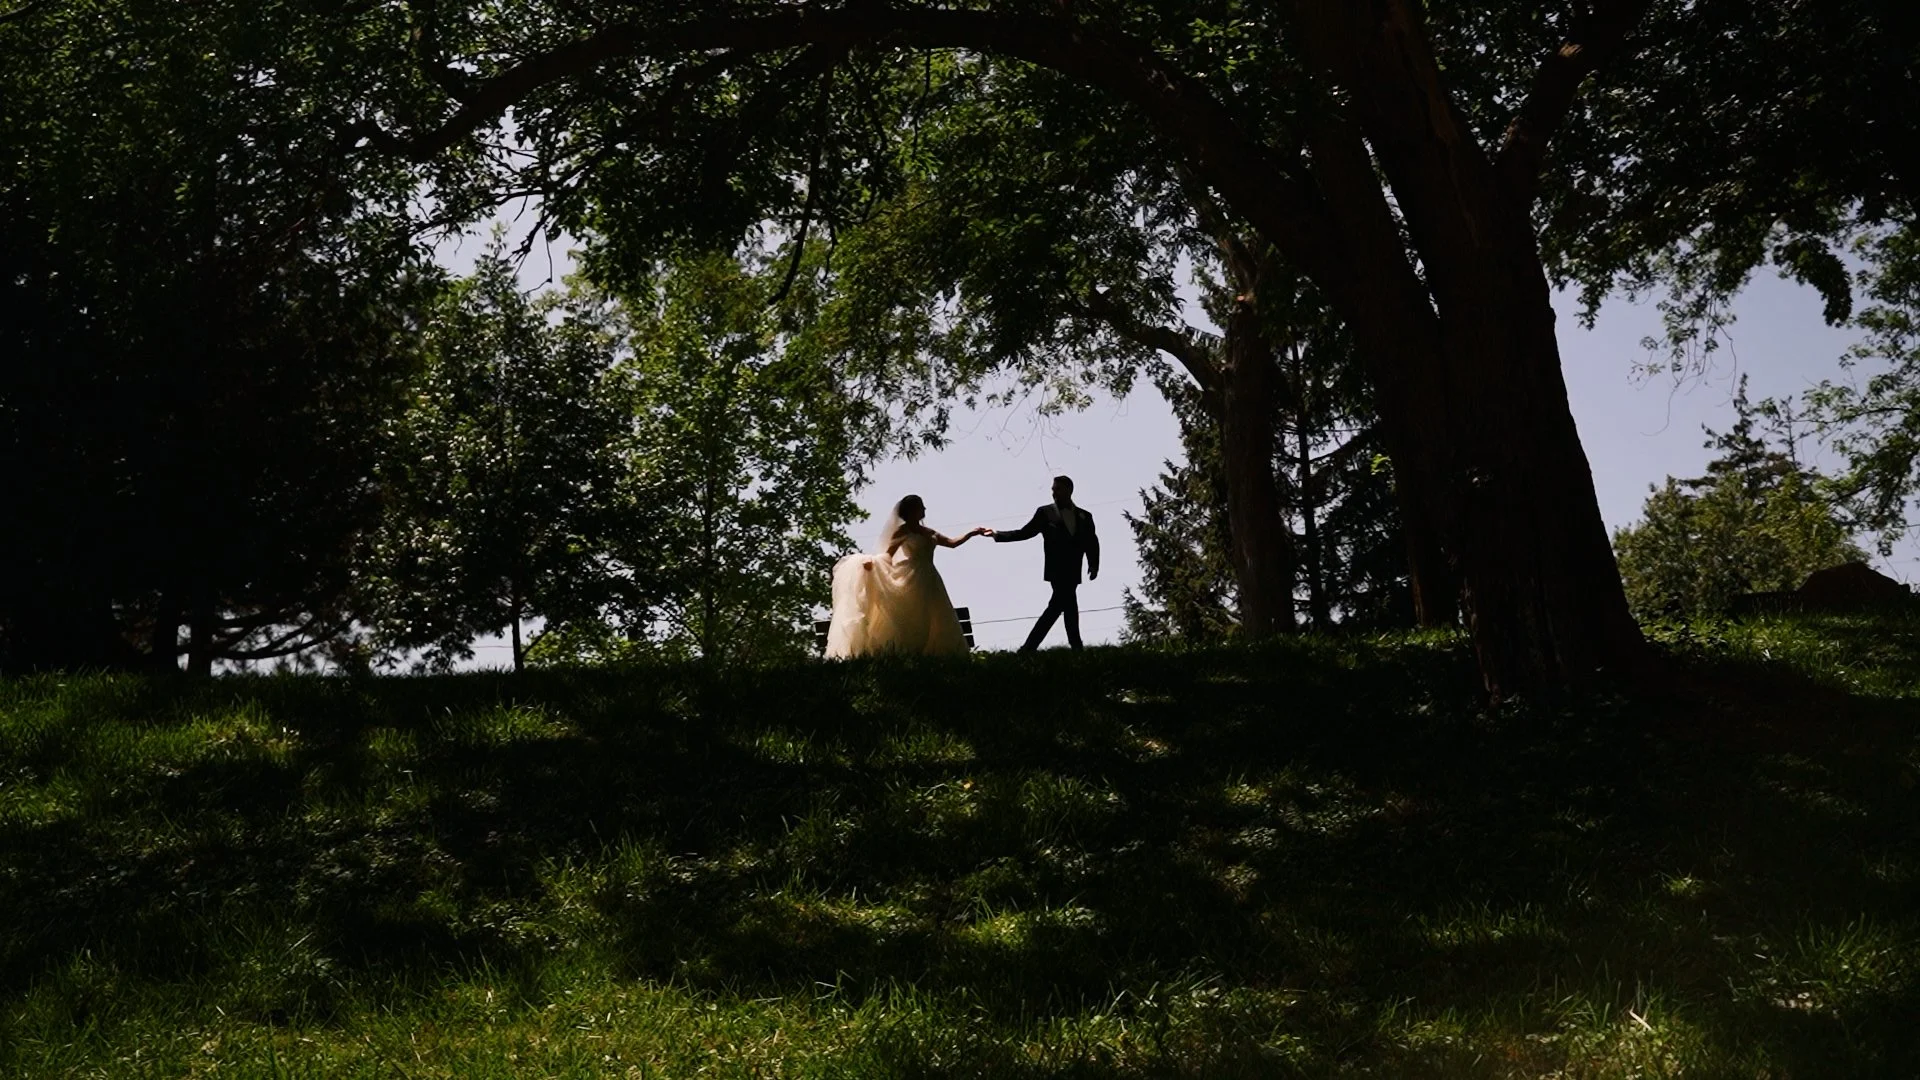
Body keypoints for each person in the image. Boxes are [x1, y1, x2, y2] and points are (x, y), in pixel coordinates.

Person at [824, 495, 989, 658]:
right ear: (912, 510)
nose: (924, 509)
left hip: (930, 576)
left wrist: (971, 534)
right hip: (911, 576)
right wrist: (872, 563)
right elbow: (888, 555)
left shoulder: (929, 532)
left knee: (935, 613)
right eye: (921, 506)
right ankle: (911, 650)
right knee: (914, 613)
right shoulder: (903, 531)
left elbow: (952, 543)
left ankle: (934, 652)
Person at [989, 475, 1099, 651]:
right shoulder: (1045, 513)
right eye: (1053, 489)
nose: (1054, 493)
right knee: (1062, 606)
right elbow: (1025, 532)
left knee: (1063, 606)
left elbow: (1091, 542)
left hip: (1073, 570)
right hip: (1056, 570)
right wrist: (998, 535)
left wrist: (1093, 565)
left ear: (1069, 490)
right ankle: (1062, 647)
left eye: (1058, 489)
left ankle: (1060, 647)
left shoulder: (1085, 516)